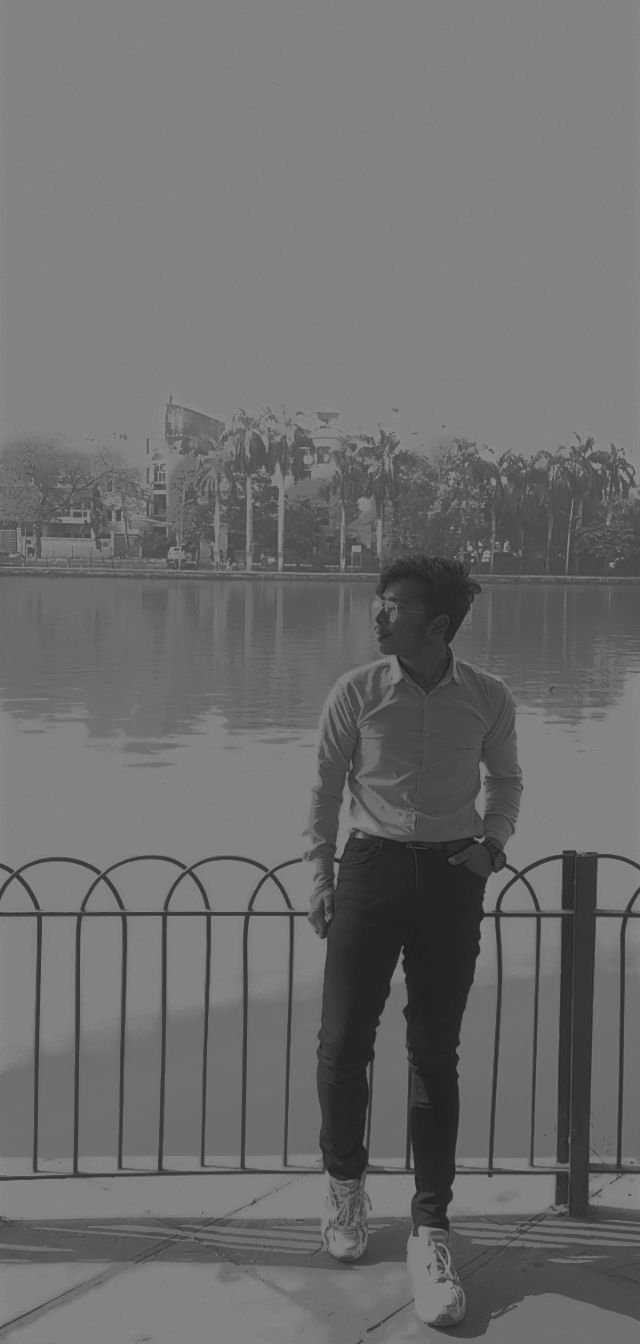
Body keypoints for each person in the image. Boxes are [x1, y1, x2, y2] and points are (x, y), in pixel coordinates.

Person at [302, 554, 523, 1328]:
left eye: (393, 605)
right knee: (342, 1044)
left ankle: (431, 1230)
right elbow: (325, 786)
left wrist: (492, 847)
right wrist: (320, 876)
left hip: (454, 877)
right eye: (379, 601)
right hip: (371, 870)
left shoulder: (488, 696)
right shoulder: (356, 691)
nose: (377, 614)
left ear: (438, 624)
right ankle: (345, 1189)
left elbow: (507, 779)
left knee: (433, 1052)